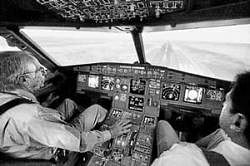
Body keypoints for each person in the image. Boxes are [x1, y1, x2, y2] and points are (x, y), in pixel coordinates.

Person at [0, 51, 131, 161]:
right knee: (96, 109)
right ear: (24, 80)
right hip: (55, 152)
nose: (45, 71)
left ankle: (71, 122)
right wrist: (112, 132)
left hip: (29, 143)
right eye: (39, 70)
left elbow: (23, 119)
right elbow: (79, 142)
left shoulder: (6, 98)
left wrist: (43, 105)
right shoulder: (32, 116)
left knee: (69, 103)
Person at [152, 71, 250, 166]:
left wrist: (185, 149)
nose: (223, 104)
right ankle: (191, 144)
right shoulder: (232, 137)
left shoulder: (182, 159)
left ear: (239, 121)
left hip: (187, 154)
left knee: (163, 124)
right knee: (220, 132)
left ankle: (184, 143)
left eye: (227, 101)